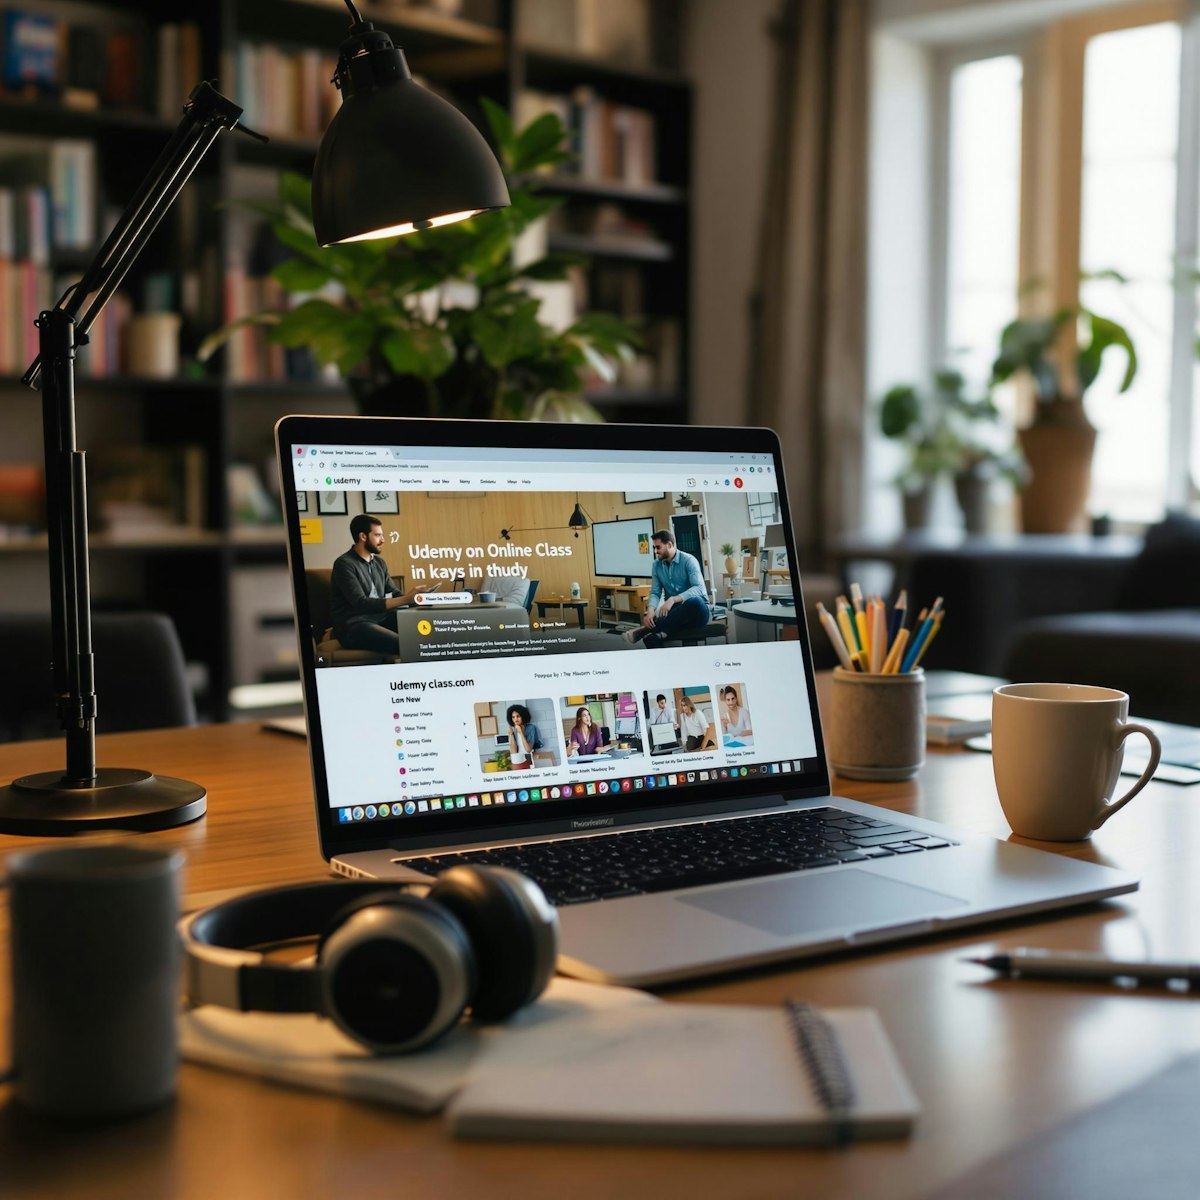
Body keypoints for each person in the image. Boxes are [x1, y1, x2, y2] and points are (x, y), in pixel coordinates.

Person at [330, 515, 431, 653]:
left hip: (381, 617)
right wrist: (406, 599)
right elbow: (361, 603)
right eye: (378, 535)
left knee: (426, 631)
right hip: (354, 625)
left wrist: (419, 598)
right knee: (404, 644)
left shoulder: (379, 563)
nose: (383, 540)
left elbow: (394, 593)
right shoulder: (344, 564)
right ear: (363, 536)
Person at [622, 529, 711, 648]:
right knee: (652, 636)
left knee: (696, 602)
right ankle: (658, 635)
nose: (655, 551)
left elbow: (699, 588)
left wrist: (674, 599)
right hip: (675, 613)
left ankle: (646, 630)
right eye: (654, 548)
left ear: (669, 545)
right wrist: (650, 611)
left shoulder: (689, 560)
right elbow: (655, 591)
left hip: (697, 612)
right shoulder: (656, 565)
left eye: (658, 547)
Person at [507, 703, 541, 770]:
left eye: (518, 716)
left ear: (523, 716)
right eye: (513, 717)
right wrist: (510, 734)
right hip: (518, 759)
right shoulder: (513, 729)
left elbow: (528, 749)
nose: (516, 719)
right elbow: (513, 751)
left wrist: (521, 733)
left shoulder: (531, 728)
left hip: (529, 758)